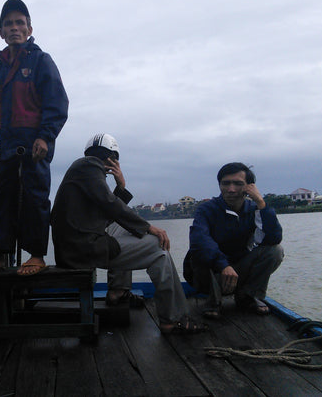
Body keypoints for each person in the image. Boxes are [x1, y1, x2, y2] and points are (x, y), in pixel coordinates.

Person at [51, 134, 206, 334]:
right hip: (82, 249)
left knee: (127, 228)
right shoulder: (89, 166)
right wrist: (149, 227)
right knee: (158, 248)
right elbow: (110, 204)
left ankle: (118, 291)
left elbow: (107, 214)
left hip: (76, 245)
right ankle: (173, 318)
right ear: (112, 158)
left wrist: (121, 188)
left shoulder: (83, 170)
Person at [0, 0, 69, 276]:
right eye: (8, 23)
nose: (14, 27)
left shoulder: (41, 61)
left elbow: (57, 103)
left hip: (33, 145)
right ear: (1, 31)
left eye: (19, 23)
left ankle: (36, 255)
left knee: (35, 199)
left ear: (29, 28)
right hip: (3, 148)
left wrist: (45, 137)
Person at [184, 162, 283, 319]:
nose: (231, 189)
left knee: (275, 251)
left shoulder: (253, 209)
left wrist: (261, 204)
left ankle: (247, 297)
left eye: (238, 184)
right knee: (200, 252)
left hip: (238, 268)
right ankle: (213, 302)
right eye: (226, 183)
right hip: (209, 272)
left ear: (248, 187)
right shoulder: (207, 209)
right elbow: (199, 240)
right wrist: (223, 265)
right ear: (220, 185)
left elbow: (273, 238)